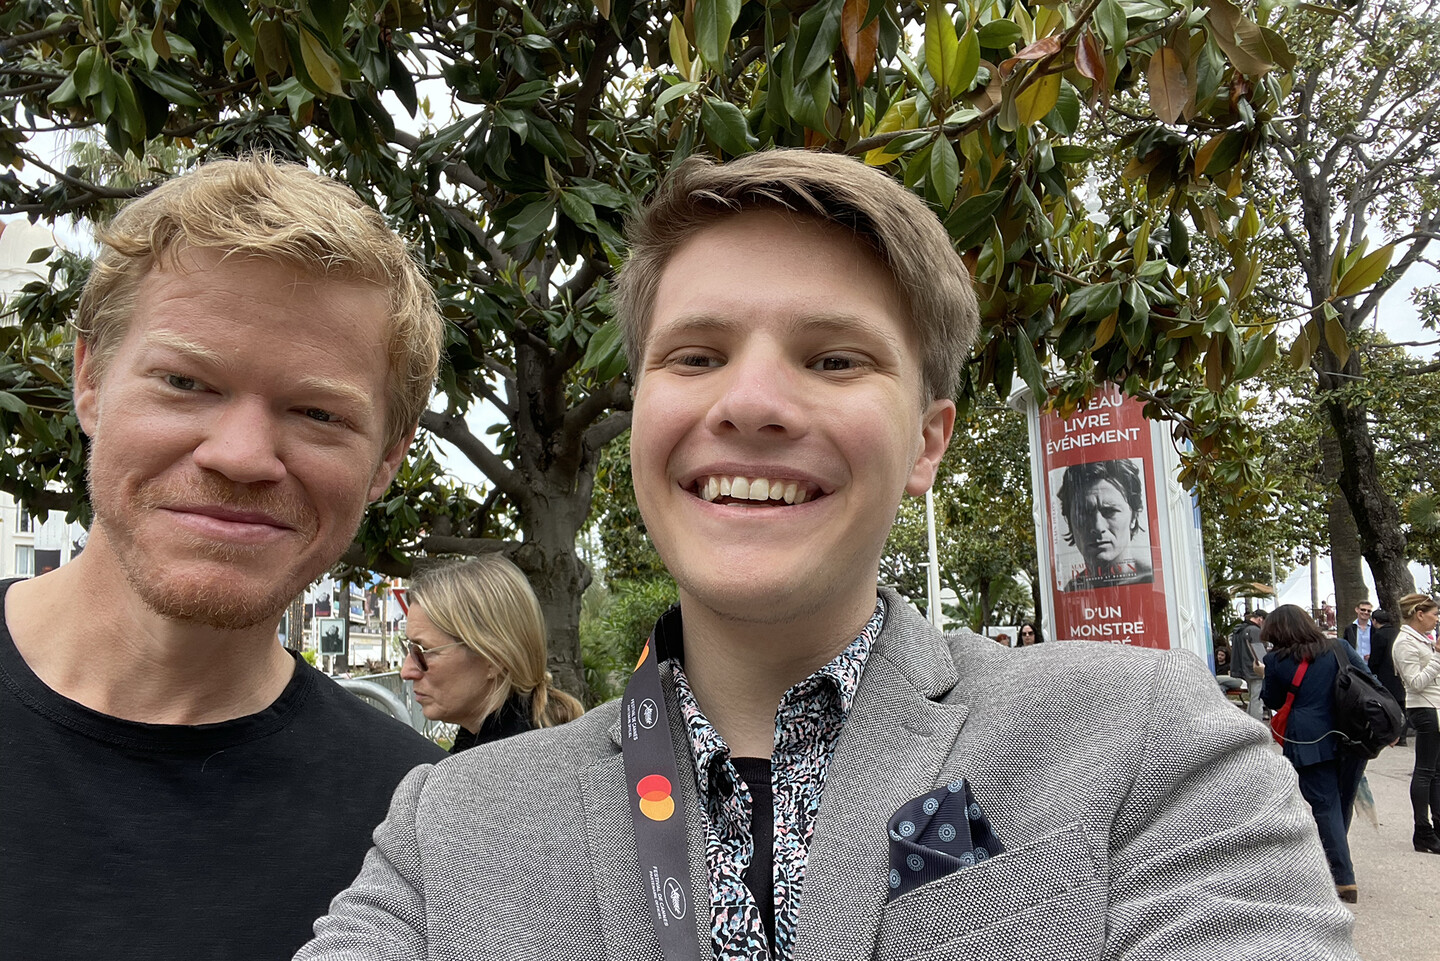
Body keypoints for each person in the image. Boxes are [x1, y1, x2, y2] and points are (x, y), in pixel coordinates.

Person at [299, 150, 1356, 960]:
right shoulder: (450, 828)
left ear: (927, 442)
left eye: (835, 359)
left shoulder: (1142, 743)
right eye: (696, 355)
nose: (751, 401)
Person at [0, 157, 448, 960]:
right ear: (90, 378)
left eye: (318, 413)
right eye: (185, 381)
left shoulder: (424, 833)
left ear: (387, 458)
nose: (241, 455)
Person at [402, 555, 584, 753]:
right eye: (409, 649)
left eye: (422, 652)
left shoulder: (514, 763)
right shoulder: (493, 744)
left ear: (494, 658)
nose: (406, 671)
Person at [1260, 604, 1374, 902]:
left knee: (1325, 805)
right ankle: (1336, 862)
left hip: (1308, 738)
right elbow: (1369, 680)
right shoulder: (1339, 647)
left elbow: (1272, 699)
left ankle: (1342, 877)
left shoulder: (1276, 660)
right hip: (1352, 733)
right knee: (1341, 801)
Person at [1056, 459, 1154, 591]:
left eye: (1109, 511)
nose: (1098, 527)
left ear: (1134, 516)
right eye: (1084, 513)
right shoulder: (1070, 591)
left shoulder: (1155, 583)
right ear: (1069, 520)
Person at [1393, 593, 1440, 855]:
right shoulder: (1404, 642)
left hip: (1435, 706)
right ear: (1419, 614)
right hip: (1424, 707)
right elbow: (1416, 682)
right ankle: (1422, 830)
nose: (1436, 619)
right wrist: (1437, 656)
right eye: (1434, 614)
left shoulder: (1423, 639)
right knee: (1425, 770)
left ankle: (1437, 827)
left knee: (1436, 772)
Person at [1366, 608, 1407, 745]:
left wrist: (1370, 671)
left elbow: (1375, 659)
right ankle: (1402, 735)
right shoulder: (1397, 633)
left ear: (1374, 621)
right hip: (1399, 673)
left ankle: (1391, 733)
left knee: (1388, 705)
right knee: (1401, 704)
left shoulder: (1379, 635)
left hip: (1385, 674)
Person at [1230, 609, 1268, 720]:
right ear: (1260, 619)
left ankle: (1250, 723)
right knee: (1257, 700)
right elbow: (1260, 654)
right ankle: (1257, 726)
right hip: (1256, 670)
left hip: (1244, 669)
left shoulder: (1239, 629)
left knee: (1253, 698)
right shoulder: (1254, 630)